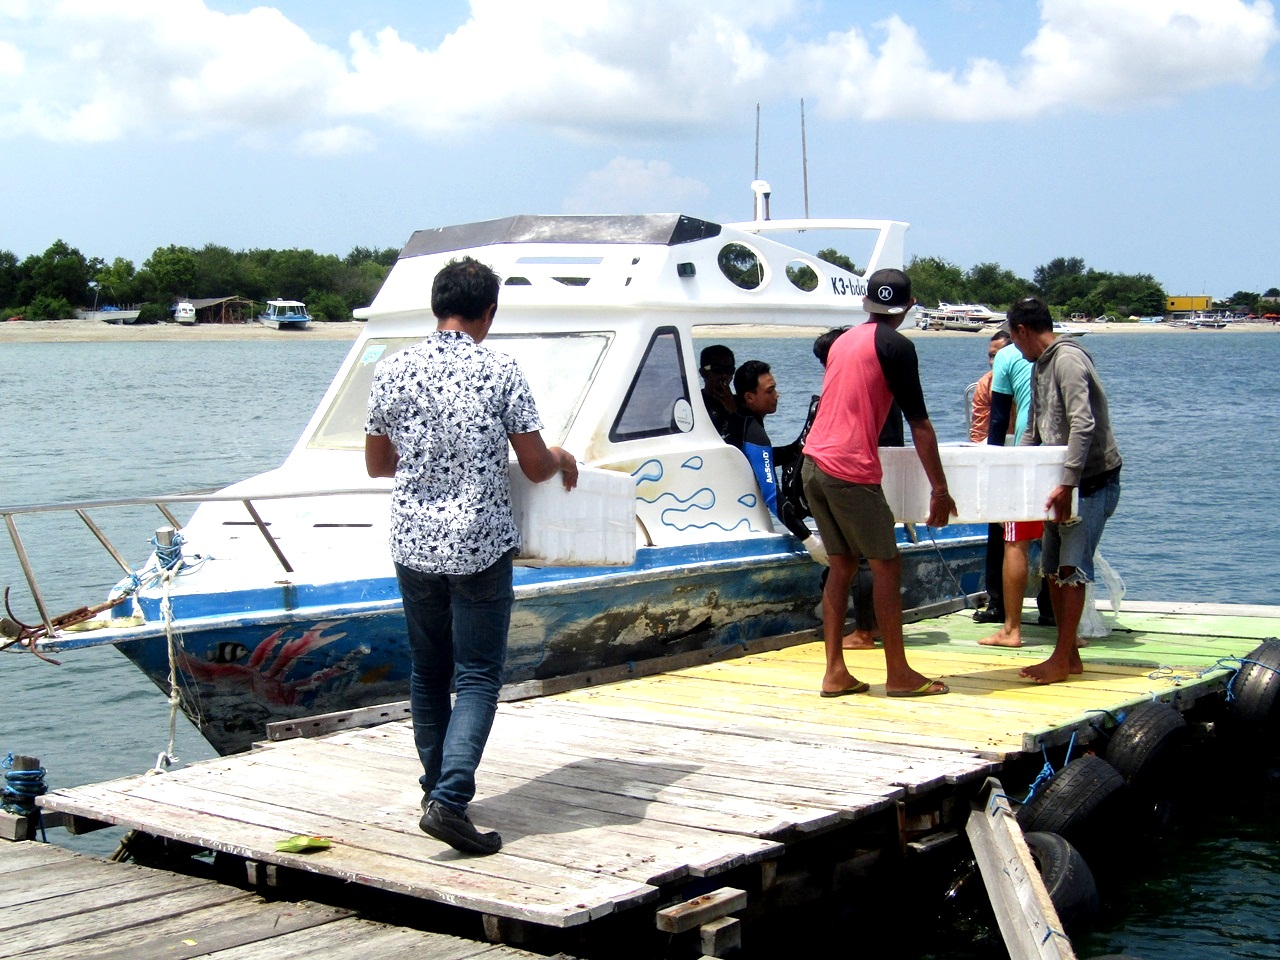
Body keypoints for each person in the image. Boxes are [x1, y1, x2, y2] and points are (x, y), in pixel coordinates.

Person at [365, 256, 578, 854]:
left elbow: (379, 464)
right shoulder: (499, 368)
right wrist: (561, 456)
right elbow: (535, 467)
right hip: (480, 541)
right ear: (488, 313)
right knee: (479, 675)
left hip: (412, 541)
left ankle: (435, 788)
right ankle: (452, 801)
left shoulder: (392, 369)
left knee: (427, 671)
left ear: (438, 306)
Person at [802, 268, 957, 698]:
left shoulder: (842, 342)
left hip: (813, 463)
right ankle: (900, 674)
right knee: (887, 565)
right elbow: (920, 423)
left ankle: (835, 672)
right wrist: (940, 491)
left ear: (866, 303)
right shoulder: (898, 346)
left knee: (842, 564)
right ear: (907, 307)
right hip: (849, 470)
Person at [1004, 296, 1122, 684]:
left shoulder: (1068, 360)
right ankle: (1067, 654)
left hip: (1087, 484)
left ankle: (1061, 658)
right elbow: (1034, 429)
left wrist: (1068, 481)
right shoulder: (1039, 365)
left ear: (1022, 330)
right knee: (1052, 569)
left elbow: (1083, 425)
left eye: (1013, 337)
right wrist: (1020, 473)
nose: (1014, 346)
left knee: (1071, 570)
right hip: (1058, 485)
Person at [979, 323, 1056, 647]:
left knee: (1013, 537)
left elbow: (997, 419)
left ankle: (1008, 622)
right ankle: (1053, 614)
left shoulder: (1008, 358)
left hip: (1025, 449)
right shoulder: (1058, 354)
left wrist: (993, 464)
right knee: (1059, 534)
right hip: (1057, 451)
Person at [725, 360, 808, 538]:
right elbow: (771, 495)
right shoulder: (753, 432)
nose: (777, 395)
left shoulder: (738, 420)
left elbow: (757, 460)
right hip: (739, 520)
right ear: (749, 397)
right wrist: (807, 538)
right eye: (770, 391)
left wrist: (794, 450)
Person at [971, 329, 1013, 625]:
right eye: (989, 355)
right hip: (997, 460)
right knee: (997, 535)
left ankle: (1048, 604)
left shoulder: (1026, 377)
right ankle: (997, 602)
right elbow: (979, 430)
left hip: (1024, 454)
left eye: (997, 356)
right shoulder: (985, 385)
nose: (992, 362)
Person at [699, 344, 736, 440]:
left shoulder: (741, 404)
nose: (724, 376)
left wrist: (733, 410)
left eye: (729, 370)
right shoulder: (695, 403)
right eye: (717, 370)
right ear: (703, 372)